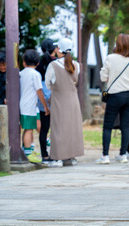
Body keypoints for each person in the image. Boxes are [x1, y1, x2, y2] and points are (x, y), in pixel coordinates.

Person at [95, 33, 129, 164]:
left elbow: (103, 77)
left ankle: (105, 156)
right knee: (125, 126)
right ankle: (122, 155)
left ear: (117, 44)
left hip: (115, 95)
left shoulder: (110, 58)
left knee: (107, 126)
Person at [45, 38, 84, 166]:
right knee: (72, 128)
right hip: (73, 100)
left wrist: (57, 89)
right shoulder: (76, 65)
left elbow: (48, 83)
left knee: (58, 127)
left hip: (58, 99)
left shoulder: (53, 65)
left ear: (58, 49)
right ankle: (71, 157)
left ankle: (57, 158)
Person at [19, 49, 50, 163]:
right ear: (37, 63)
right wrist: (45, 106)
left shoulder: (20, 73)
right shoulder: (36, 75)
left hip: (23, 105)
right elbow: (39, 92)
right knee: (28, 129)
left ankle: (28, 149)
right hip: (29, 106)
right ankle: (28, 153)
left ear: (24, 62)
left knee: (29, 128)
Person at [36, 38, 58, 166]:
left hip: (41, 96)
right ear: (54, 49)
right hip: (53, 94)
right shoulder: (56, 63)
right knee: (56, 128)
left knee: (44, 129)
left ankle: (44, 155)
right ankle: (56, 154)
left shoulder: (38, 63)